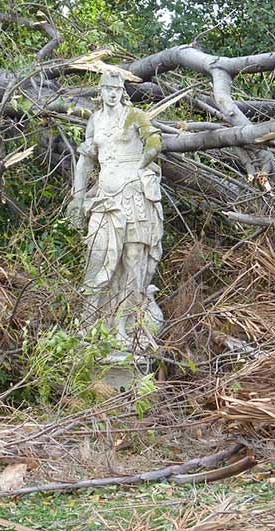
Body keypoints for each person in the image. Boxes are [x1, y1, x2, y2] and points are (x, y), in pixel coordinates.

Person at [67, 71, 164, 356]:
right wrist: (77, 198)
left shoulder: (135, 115)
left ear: (122, 91)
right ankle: (88, 325)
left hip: (135, 197)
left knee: (133, 260)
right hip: (105, 200)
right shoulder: (95, 120)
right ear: (101, 91)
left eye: (116, 89)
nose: (111, 93)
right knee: (97, 258)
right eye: (107, 88)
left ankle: (123, 325)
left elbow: (155, 143)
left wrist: (142, 164)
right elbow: (85, 161)